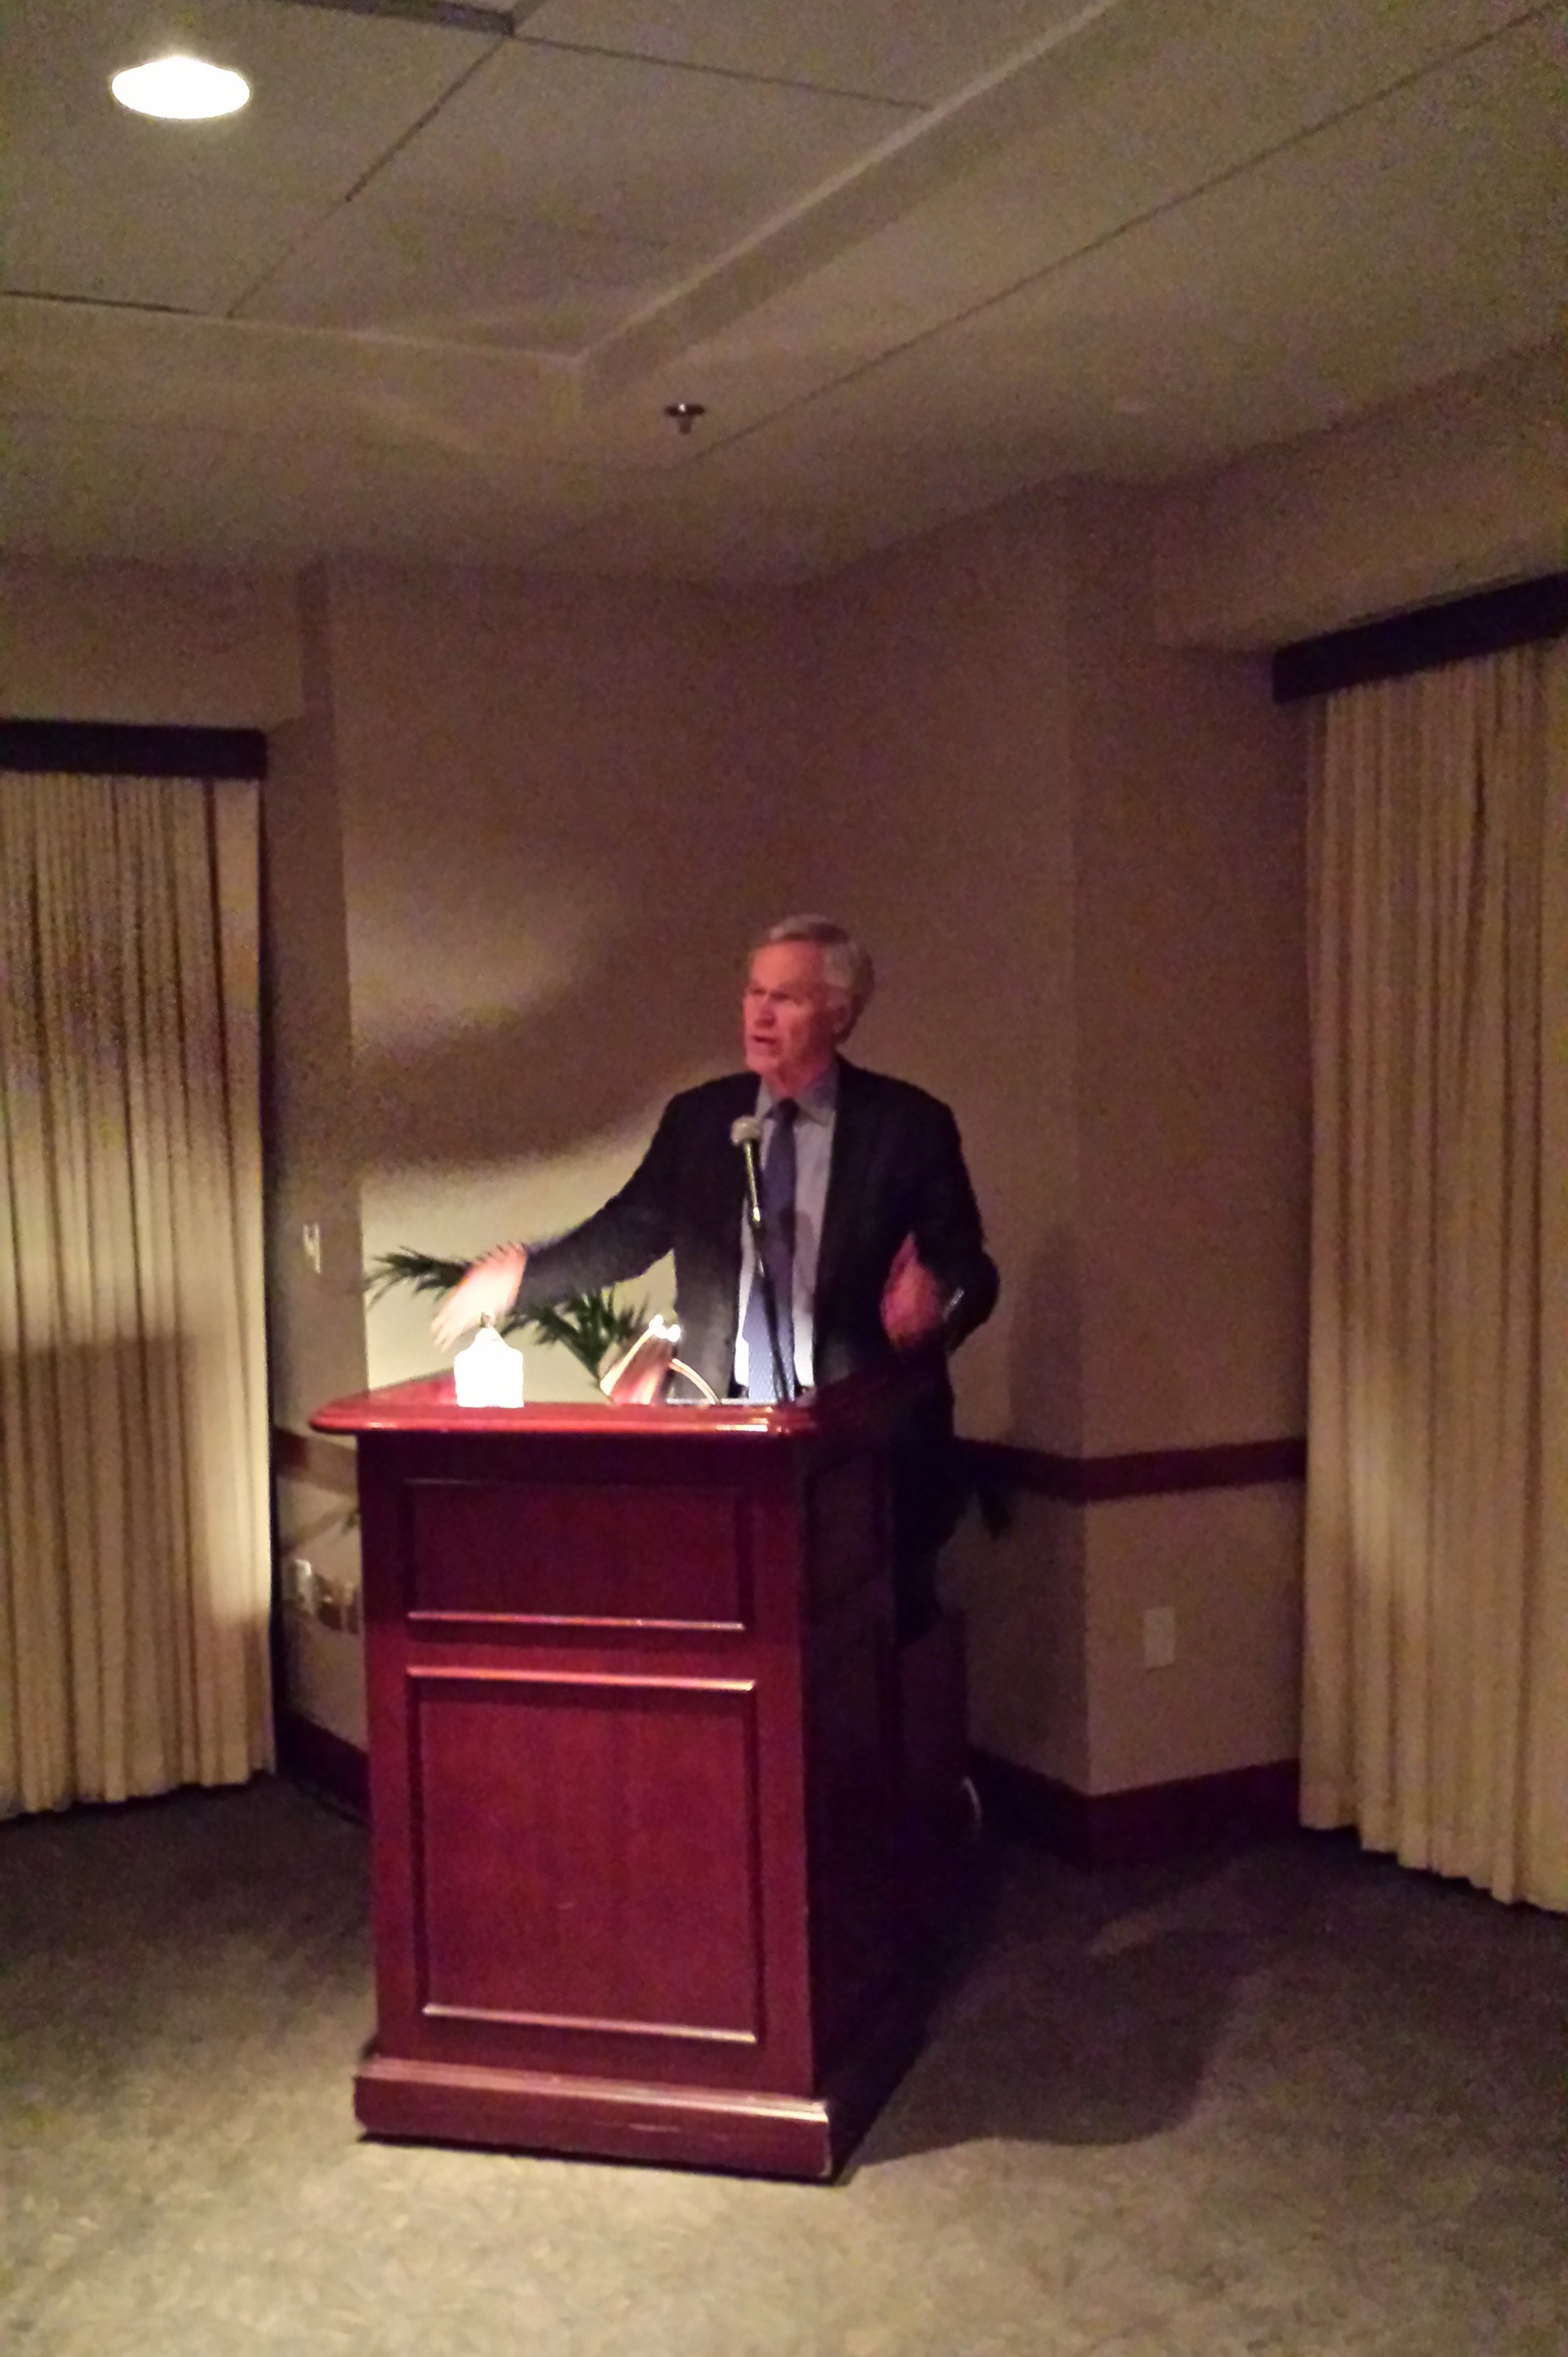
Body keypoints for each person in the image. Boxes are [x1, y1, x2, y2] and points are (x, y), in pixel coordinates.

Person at [432, 915, 999, 1634]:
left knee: (860, 1665)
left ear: (840, 1014)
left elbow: (971, 1271)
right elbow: (627, 1234)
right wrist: (522, 1277)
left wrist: (937, 1302)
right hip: (720, 1436)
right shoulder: (702, 1122)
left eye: (787, 999)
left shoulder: (908, 1126)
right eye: (753, 993)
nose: (760, 1014)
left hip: (860, 1448)